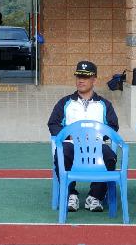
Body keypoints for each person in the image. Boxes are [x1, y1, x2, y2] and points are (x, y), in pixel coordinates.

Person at [47, 61, 119, 213]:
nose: (81, 80)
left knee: (110, 156)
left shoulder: (104, 104)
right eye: (79, 76)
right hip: (71, 145)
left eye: (86, 77)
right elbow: (53, 124)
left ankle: (95, 196)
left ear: (94, 79)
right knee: (62, 153)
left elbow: (113, 126)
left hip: (96, 145)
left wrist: (97, 137)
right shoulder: (65, 103)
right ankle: (70, 194)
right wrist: (70, 135)